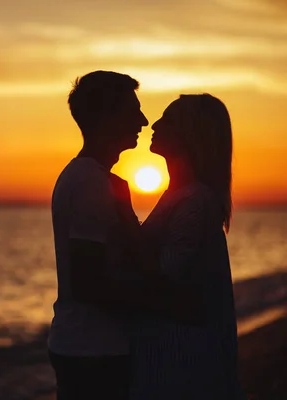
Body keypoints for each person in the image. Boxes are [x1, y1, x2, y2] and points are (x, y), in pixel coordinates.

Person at [47, 71, 203, 400]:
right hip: (92, 352)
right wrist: (167, 305)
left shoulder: (99, 180)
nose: (144, 121)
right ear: (106, 117)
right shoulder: (90, 181)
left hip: (91, 347)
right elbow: (88, 284)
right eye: (133, 111)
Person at [113, 94, 246, 399]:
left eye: (167, 119)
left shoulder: (193, 201)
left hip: (180, 367)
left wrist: (123, 216)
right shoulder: (181, 195)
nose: (155, 124)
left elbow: (162, 278)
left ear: (189, 134)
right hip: (172, 361)